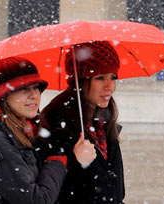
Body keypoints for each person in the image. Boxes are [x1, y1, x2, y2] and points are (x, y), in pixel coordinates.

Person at [0, 57, 96, 204]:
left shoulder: (22, 137)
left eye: (37, 87)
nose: (34, 95)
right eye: (24, 89)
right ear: (4, 96)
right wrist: (57, 162)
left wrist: (74, 159)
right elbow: (37, 200)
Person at [38, 41, 125, 204]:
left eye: (113, 77)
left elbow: (116, 193)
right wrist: (78, 163)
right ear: (81, 80)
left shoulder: (105, 125)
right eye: (100, 78)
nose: (110, 87)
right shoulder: (56, 125)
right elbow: (51, 194)